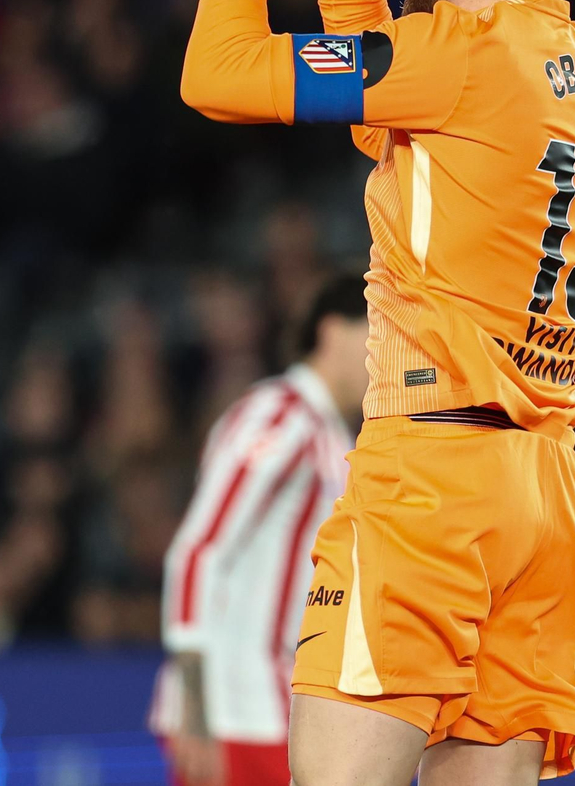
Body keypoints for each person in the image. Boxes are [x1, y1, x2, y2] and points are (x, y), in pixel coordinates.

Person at [180, 0, 575, 786]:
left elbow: (215, 71)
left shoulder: (454, 57)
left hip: (431, 482)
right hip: (545, 492)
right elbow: (387, 113)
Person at [152, 276, 369, 786]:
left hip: (277, 704)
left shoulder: (329, 432)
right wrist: (197, 708)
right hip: (236, 709)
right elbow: (198, 552)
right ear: (334, 331)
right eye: (376, 336)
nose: (385, 358)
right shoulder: (280, 417)